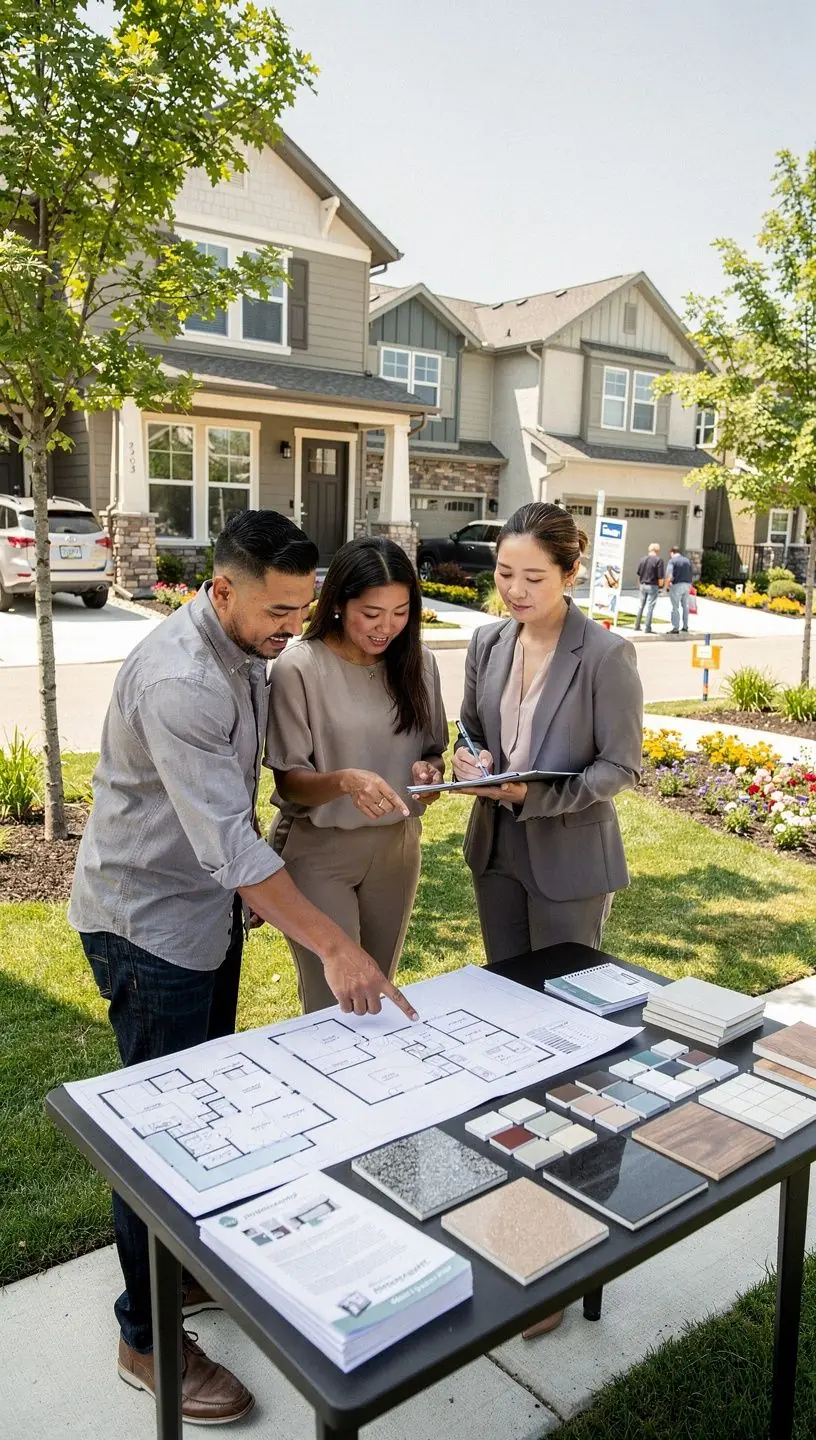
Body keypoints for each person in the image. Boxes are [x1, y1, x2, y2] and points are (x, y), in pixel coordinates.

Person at [69, 511, 418, 1426]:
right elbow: (228, 844)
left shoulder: (245, 652)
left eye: (304, 609)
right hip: (147, 926)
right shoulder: (183, 678)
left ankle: (178, 1277)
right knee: (158, 1136)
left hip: (204, 916)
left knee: (201, 1110)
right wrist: (335, 944)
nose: (292, 627)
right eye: (277, 610)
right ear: (220, 589)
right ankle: (145, 1336)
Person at [265, 535, 448, 1012]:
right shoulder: (298, 668)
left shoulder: (420, 665)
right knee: (335, 1002)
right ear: (340, 603)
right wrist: (346, 781)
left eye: (401, 612)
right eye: (372, 613)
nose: (386, 627)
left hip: (398, 850)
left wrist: (432, 774)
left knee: (379, 993)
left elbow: (434, 752)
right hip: (321, 853)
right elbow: (288, 781)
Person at [634, 542, 665, 632]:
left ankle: (637, 625)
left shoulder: (643, 559)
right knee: (650, 607)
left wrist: (639, 585)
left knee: (640, 606)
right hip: (653, 585)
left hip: (643, 585)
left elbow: (639, 574)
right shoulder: (659, 560)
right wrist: (661, 587)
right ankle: (647, 628)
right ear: (657, 550)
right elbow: (660, 577)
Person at [665, 545, 693, 633]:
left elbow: (669, 575)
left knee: (675, 607)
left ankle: (675, 627)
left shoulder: (672, 561)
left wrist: (666, 587)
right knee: (685, 606)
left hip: (677, 585)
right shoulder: (687, 561)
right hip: (687, 584)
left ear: (672, 552)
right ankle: (685, 626)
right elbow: (691, 573)